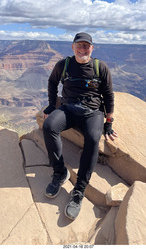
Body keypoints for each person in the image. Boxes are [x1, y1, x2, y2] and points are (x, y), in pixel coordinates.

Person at [43, 32, 117, 220]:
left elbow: (108, 95)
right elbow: (52, 82)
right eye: (79, 45)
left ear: (92, 48)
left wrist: (109, 123)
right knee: (49, 126)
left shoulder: (100, 67)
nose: (83, 49)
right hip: (68, 108)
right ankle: (60, 172)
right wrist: (52, 105)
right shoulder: (64, 65)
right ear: (73, 47)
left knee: (93, 139)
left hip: (93, 112)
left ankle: (79, 190)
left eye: (87, 46)